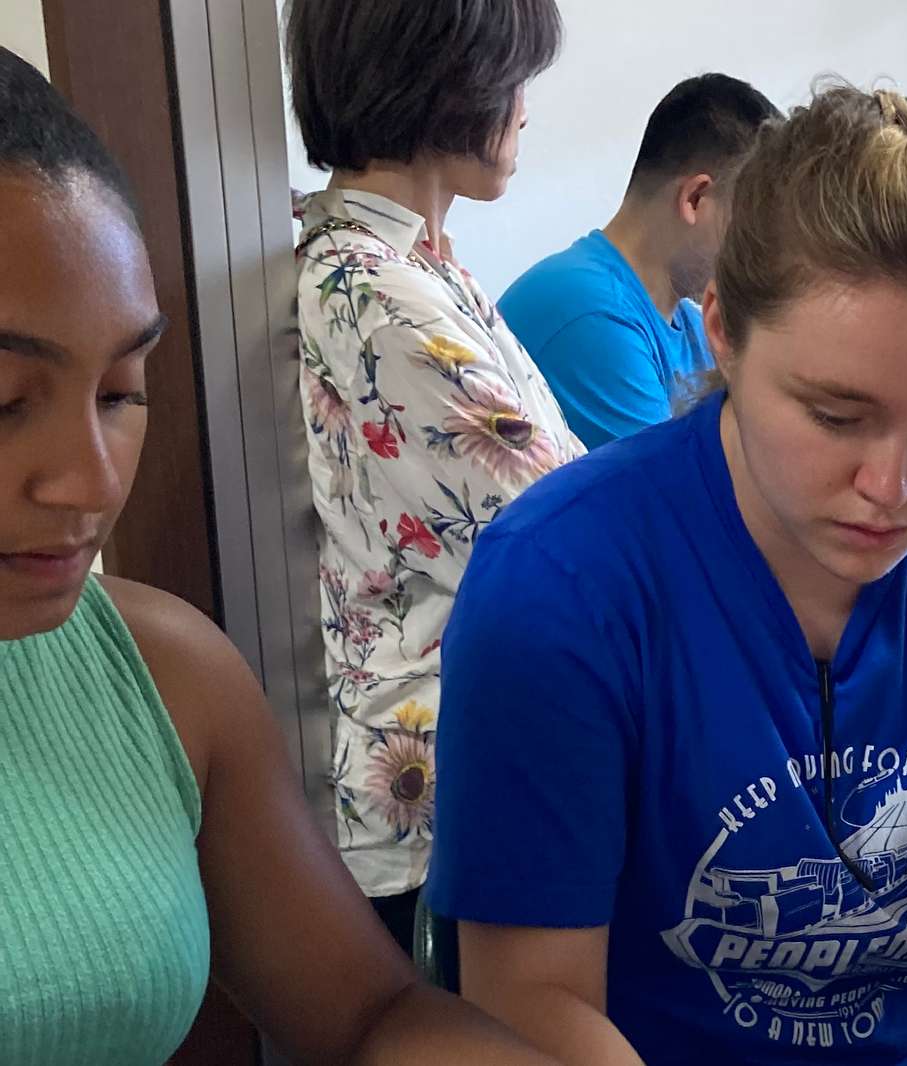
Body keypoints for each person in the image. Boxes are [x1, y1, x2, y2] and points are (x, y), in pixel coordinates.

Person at [426, 84, 907, 1065]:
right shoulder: (559, 585)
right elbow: (529, 994)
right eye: (836, 415)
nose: (891, 485)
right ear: (721, 329)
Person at [0, 46, 558, 1066]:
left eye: (120, 391)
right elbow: (558, 529)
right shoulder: (369, 284)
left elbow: (369, 1013)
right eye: (2, 404)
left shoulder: (167, 674)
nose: (88, 481)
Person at [286, 0, 584, 952]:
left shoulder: (409, 265)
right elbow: (566, 531)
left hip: (456, 766)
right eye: (514, 77)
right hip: (432, 800)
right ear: (448, 78)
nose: (524, 108)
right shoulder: (378, 295)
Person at [501, 73, 782, 448]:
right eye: (754, 224)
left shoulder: (690, 326)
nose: (761, 251)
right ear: (695, 199)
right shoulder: (589, 313)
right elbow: (677, 485)